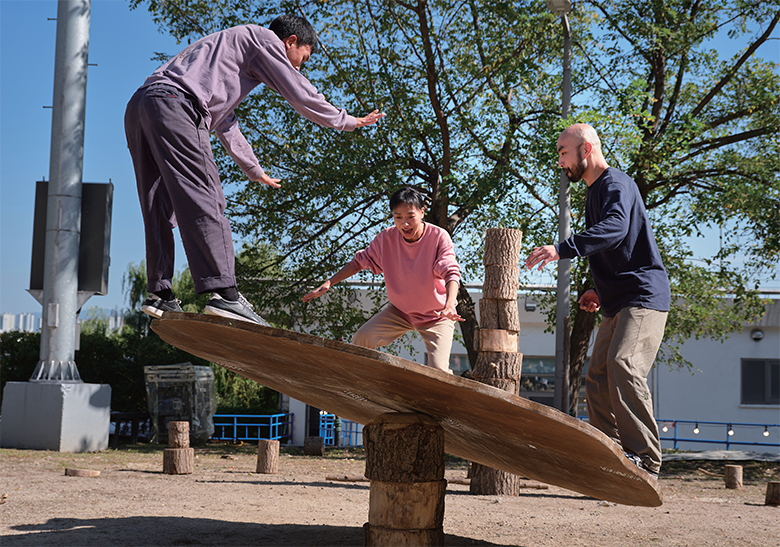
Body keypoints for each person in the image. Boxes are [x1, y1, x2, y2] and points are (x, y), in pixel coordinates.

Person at [125, 14, 385, 324]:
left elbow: (225, 124)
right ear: (289, 42)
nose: (298, 67)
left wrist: (253, 169)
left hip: (141, 106)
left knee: (157, 204)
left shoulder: (224, 53)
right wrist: (348, 121)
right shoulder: (264, 40)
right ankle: (225, 294)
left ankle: (161, 295)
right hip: (176, 105)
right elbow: (299, 92)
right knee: (205, 198)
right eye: (301, 58)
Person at [525, 123, 671, 477]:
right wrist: (597, 288)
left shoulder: (616, 183)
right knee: (597, 375)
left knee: (624, 364)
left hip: (642, 296)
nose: (559, 161)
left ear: (585, 150)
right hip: (618, 299)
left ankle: (646, 458)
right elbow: (617, 248)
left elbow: (615, 229)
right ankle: (611, 452)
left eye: (563, 152)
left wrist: (562, 249)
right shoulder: (594, 193)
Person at [303, 187, 464, 372]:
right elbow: (358, 263)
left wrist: (450, 305)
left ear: (422, 212)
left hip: (436, 316)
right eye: (398, 217)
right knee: (362, 339)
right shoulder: (387, 238)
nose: (405, 224)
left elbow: (451, 273)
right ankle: (364, 386)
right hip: (400, 312)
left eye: (410, 217)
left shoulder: (438, 237)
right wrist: (328, 283)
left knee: (438, 371)